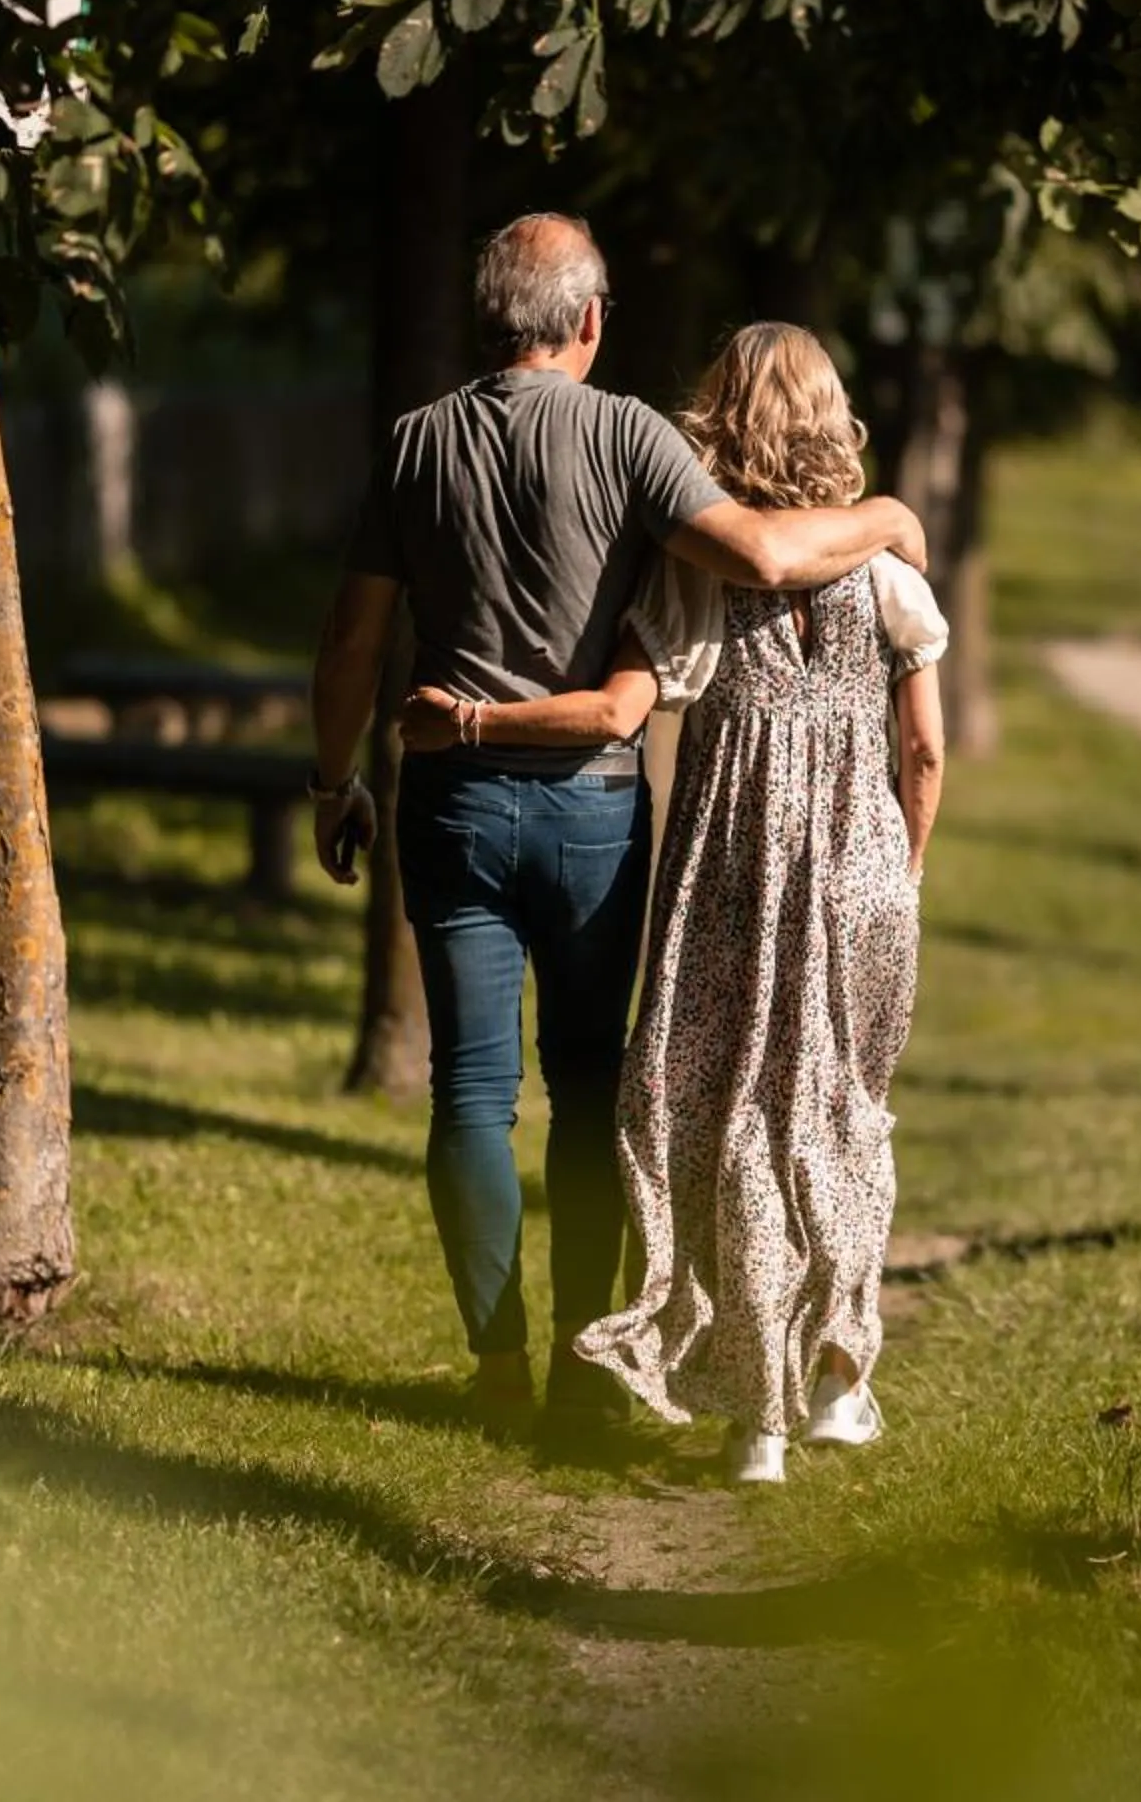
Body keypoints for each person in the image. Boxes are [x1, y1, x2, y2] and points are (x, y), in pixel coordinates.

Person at [309, 220, 929, 1448]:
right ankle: (584, 1369)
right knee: (586, 1093)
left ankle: (495, 1369)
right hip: (593, 806)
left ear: (491, 316)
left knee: (470, 1093)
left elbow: (353, 642)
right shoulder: (628, 433)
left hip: (453, 806)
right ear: (588, 321)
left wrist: (338, 783)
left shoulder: (416, 443)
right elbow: (758, 554)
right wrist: (893, 516)